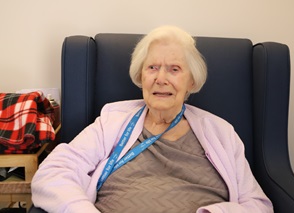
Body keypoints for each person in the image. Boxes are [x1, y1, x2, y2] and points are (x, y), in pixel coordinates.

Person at [31, 26, 273, 213]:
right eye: (152, 68)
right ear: (140, 75)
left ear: (192, 81)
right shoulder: (112, 121)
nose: (161, 78)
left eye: (174, 69)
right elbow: (53, 172)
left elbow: (258, 205)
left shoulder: (221, 132)